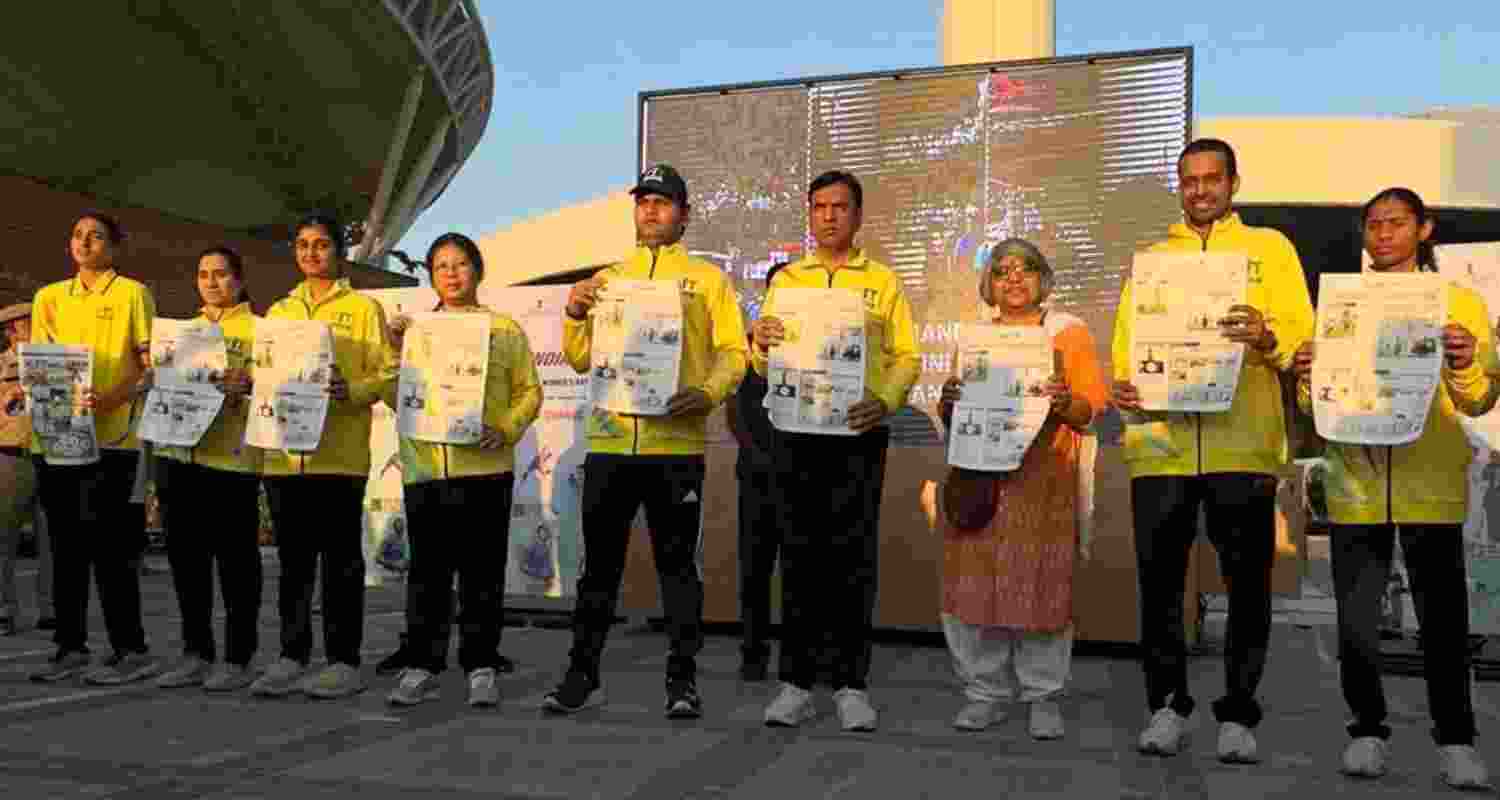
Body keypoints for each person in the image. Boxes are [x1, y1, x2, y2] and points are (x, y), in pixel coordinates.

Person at [1110, 138, 1314, 762]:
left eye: (1212, 178)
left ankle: (1239, 714)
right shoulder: (1153, 259)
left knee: (1247, 586)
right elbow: (1126, 340)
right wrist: (1125, 384)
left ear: (1233, 183)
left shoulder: (1269, 249)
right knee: (1160, 587)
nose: (1200, 190)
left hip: (1241, 446)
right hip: (1161, 445)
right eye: (1189, 180)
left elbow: (1301, 337)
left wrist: (1268, 337)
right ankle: (1166, 706)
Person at [1293, 188, 1495, 789]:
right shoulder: (1339, 303)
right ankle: (1366, 731)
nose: (1383, 234)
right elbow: (1312, 405)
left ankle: (1456, 740)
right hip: (1355, 483)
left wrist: (1463, 361)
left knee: (1443, 622)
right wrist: (1306, 378)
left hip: (1431, 482)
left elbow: (1479, 398)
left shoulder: (1458, 302)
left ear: (1424, 229)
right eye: (1374, 224)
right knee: (1357, 623)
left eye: (1397, 223)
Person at [542, 164, 747, 718]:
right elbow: (580, 357)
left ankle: (682, 681)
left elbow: (735, 352)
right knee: (598, 570)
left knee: (678, 570)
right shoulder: (608, 279)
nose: (651, 210)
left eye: (662, 201)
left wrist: (707, 392)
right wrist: (575, 312)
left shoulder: (707, 281)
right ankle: (582, 676)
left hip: (675, 450)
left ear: (684, 214)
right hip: (610, 446)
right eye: (643, 201)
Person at [750, 170, 921, 732]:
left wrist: (885, 400)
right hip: (795, 434)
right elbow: (762, 363)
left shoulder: (882, 282)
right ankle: (796, 683)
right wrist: (759, 344)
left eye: (839, 207)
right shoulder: (786, 281)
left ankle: (851, 684)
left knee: (852, 560)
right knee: (799, 558)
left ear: (858, 215)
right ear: (810, 213)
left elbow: (906, 357)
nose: (828, 216)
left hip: (857, 434)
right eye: (819, 206)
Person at [935, 239, 1106, 738]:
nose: (1013, 278)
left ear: (1043, 279)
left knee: (1041, 586)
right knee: (975, 585)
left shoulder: (1067, 332)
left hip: (1043, 479)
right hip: (980, 479)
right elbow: (954, 413)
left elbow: (1089, 409)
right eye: (1002, 270)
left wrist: (1063, 401)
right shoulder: (974, 337)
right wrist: (949, 399)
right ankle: (984, 693)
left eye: (1026, 268)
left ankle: (1043, 696)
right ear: (988, 284)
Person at [382, 233, 541, 707]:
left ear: (478, 270)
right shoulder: (415, 331)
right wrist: (394, 350)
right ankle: (422, 665)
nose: (451, 274)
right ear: (431, 276)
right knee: (427, 575)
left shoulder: (504, 329)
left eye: (460, 264)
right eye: (441, 267)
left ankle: (481, 665)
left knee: (482, 575)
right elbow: (395, 397)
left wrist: (506, 428)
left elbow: (529, 391)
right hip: (426, 470)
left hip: (484, 470)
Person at [248, 212, 398, 699]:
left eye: (321, 244)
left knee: (340, 565)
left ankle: (343, 661)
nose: (311, 253)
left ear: (339, 251)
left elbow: (388, 373)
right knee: (292, 564)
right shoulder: (278, 311)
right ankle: (291, 656)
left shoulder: (363, 309)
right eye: (303, 245)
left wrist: (352, 389)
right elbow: (262, 372)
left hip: (339, 457)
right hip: (284, 457)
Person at [27, 212, 160, 684]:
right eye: (78, 235)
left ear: (114, 247)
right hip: (58, 439)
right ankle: (70, 648)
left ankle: (131, 650)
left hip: (114, 442)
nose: (85, 242)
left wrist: (112, 398)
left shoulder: (132, 294)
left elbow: (149, 367)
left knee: (113, 552)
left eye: (96, 236)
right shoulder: (48, 298)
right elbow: (41, 364)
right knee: (65, 550)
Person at [150, 247, 263, 691]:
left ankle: (239, 657)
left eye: (221, 274)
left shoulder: (260, 330)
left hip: (231, 461)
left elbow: (279, 388)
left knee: (236, 565)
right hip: (178, 457)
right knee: (187, 564)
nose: (211, 282)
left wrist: (249, 384)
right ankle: (195, 653)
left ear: (240, 279)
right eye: (203, 274)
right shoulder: (181, 332)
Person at [724, 263, 785, 682]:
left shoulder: (816, 345)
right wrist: (754, 451)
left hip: (804, 472)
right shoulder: (747, 345)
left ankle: (807, 656)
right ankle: (753, 652)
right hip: (757, 473)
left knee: (807, 571)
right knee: (755, 569)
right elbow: (734, 409)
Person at [0, 303, 52, 635]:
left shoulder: (56, 362)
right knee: (3, 538)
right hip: (10, 455)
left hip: (50, 454)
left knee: (52, 540)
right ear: (12, 330)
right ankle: (4, 609)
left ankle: (52, 609)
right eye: (26, 324)